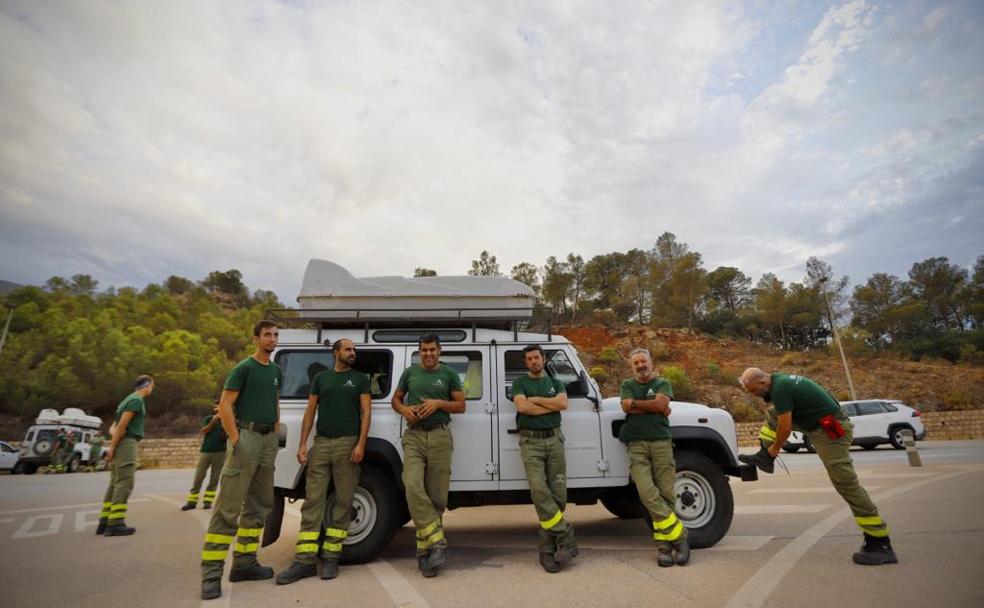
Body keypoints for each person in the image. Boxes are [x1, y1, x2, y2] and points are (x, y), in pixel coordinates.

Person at [738, 368, 897, 565]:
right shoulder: (780, 380)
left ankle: (880, 542)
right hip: (818, 425)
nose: (755, 395)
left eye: (754, 391)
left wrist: (775, 449)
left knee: (846, 484)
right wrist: (768, 451)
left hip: (830, 431)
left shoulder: (781, 389)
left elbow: (786, 428)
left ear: (762, 383)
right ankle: (764, 457)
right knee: (772, 413)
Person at [276, 338, 371, 584]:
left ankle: (331, 557)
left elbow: (366, 412)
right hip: (321, 444)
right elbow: (310, 411)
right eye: (348, 349)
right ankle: (305, 560)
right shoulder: (321, 379)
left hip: (347, 444)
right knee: (313, 501)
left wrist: (361, 444)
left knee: (343, 500)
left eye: (354, 350)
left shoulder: (360, 379)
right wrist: (302, 444)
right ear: (335, 352)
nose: (353, 353)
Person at [200, 321, 282, 601]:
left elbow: (275, 401)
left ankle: (245, 564)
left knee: (260, 505)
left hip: (267, 440)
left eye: (275, 335)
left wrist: (275, 430)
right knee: (228, 507)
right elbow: (225, 405)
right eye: (267, 335)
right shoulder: (244, 368)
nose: (272, 339)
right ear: (256, 338)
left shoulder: (275, 370)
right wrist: (236, 439)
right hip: (245, 437)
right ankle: (211, 575)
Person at [391, 334, 465, 578]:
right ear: (419, 351)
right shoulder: (409, 373)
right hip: (414, 436)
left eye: (432, 350)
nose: (428, 354)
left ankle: (426, 552)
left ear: (440, 351)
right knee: (412, 486)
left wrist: (437, 404)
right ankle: (438, 543)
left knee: (436, 497)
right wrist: (404, 410)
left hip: (440, 436)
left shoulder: (450, 374)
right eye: (424, 350)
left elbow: (461, 405)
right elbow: (396, 399)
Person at [619, 348, 690, 567]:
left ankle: (665, 547)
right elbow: (625, 406)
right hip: (637, 445)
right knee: (647, 493)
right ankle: (681, 537)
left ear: (651, 362)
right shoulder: (627, 385)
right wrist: (653, 407)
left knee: (667, 494)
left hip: (661, 442)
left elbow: (660, 404)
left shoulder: (663, 383)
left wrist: (637, 405)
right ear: (632, 366)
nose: (640, 365)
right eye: (636, 362)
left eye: (643, 361)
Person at [511, 344, 577, 573]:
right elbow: (523, 407)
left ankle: (548, 549)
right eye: (529, 359)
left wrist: (536, 399)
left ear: (543, 358)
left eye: (536, 357)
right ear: (525, 362)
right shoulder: (520, 383)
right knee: (539, 492)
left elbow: (563, 403)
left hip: (554, 440)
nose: (533, 362)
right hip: (531, 443)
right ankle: (566, 537)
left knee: (558, 495)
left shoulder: (555, 382)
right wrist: (547, 405)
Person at [96, 375, 154, 536]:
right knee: (125, 482)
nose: (152, 389)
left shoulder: (126, 400)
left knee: (114, 483)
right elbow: (121, 426)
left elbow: (113, 428)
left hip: (121, 442)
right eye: (151, 386)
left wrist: (112, 445)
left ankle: (104, 521)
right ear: (147, 386)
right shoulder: (136, 400)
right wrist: (112, 447)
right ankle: (115, 524)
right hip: (127, 443)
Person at [181, 404, 227, 511]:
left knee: (214, 478)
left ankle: (208, 501)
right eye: (217, 406)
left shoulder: (227, 419)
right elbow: (204, 431)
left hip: (220, 452)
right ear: (215, 408)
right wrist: (213, 421)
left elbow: (227, 435)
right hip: (206, 451)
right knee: (199, 476)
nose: (219, 409)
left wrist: (224, 420)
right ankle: (192, 501)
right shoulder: (208, 419)